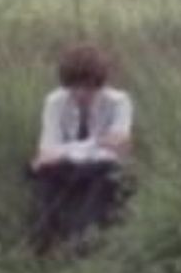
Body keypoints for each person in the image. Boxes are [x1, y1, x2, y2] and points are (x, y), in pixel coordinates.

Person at [28, 44, 134, 254]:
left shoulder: (120, 102)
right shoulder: (55, 102)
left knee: (106, 174)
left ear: (99, 83)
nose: (81, 93)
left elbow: (117, 150)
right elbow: (46, 151)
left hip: (102, 168)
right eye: (74, 87)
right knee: (40, 174)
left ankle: (83, 241)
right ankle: (44, 240)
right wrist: (98, 142)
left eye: (88, 87)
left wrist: (68, 151)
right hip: (66, 168)